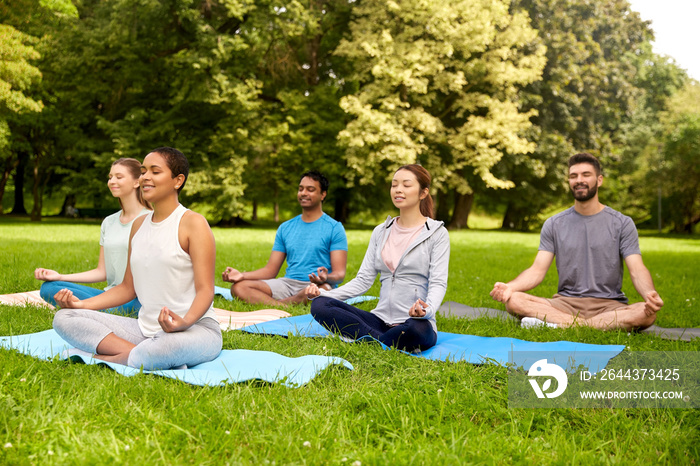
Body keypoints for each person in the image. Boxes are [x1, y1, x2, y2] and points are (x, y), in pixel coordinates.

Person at [51, 147, 222, 370]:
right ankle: (141, 356)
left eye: (155, 171)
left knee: (164, 348)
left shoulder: (193, 223)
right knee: (64, 318)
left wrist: (184, 322)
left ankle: (106, 358)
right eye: (143, 171)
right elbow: (127, 288)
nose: (145, 177)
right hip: (144, 330)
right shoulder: (138, 226)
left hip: (195, 329)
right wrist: (81, 305)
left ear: (177, 180)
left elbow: (206, 290)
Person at [490, 152, 664, 330]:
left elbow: (637, 269)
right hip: (565, 304)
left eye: (586, 175)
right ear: (569, 181)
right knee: (515, 300)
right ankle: (589, 326)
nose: (579, 180)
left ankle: (562, 325)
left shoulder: (622, 223)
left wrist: (649, 295)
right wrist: (510, 287)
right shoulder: (554, 224)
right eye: (573, 176)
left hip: (609, 306)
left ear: (599, 180)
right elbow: (537, 270)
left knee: (645, 312)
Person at [305, 164, 450, 352]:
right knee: (320, 306)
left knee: (415, 331)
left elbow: (438, 283)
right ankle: (383, 340)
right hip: (378, 320)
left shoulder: (437, 233)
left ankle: (372, 339)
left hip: (414, 322)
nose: (398, 189)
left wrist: (426, 310)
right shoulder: (381, 231)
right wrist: (324, 294)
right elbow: (363, 280)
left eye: (406, 185)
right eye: (394, 184)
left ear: (423, 193)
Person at [35, 158, 151, 316]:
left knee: (137, 305)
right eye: (110, 177)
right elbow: (101, 272)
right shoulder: (109, 222)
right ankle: (94, 309)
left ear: (137, 182)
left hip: (138, 300)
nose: (112, 181)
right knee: (49, 288)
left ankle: (87, 308)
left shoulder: (151, 220)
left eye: (119, 177)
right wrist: (60, 276)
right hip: (110, 296)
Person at [222, 171, 348, 306]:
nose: (303, 193)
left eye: (310, 190)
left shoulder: (335, 228)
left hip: (317, 285)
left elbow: (339, 274)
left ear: (323, 195)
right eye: (301, 189)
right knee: (238, 287)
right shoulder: (285, 227)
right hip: (287, 284)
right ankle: (285, 305)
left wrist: (326, 277)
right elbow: (270, 270)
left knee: (322, 291)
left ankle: (278, 303)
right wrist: (242, 275)